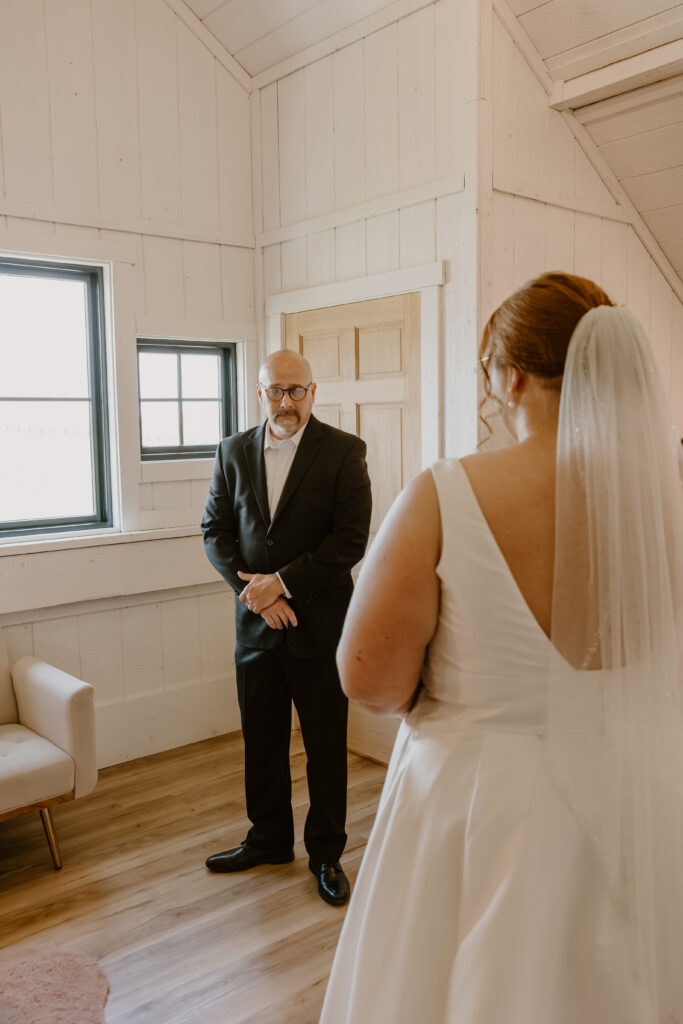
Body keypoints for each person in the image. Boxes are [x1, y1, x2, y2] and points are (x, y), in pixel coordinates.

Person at [320, 273, 683, 1022]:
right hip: (629, 791)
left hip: (477, 802)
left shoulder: (445, 492)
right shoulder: (657, 508)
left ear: (512, 374)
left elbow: (368, 680)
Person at [201, 349, 372, 907]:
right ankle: (268, 838)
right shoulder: (231, 451)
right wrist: (256, 594)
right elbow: (215, 531)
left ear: (313, 391)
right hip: (255, 628)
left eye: (296, 390)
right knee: (262, 741)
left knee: (325, 746)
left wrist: (282, 584)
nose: (286, 401)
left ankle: (326, 854)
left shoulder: (345, 452)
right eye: (276, 390)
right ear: (259, 393)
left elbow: (349, 541)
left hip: (318, 627)